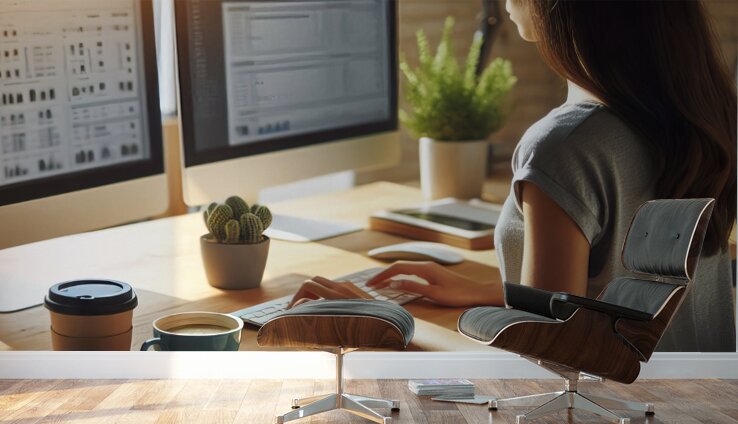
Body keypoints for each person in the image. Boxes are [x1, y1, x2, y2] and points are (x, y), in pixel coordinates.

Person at [289, 0, 737, 352]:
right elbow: (621, 293)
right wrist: (499, 293)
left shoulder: (565, 146)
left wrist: (387, 317)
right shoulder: (694, 117)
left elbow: (543, 361)